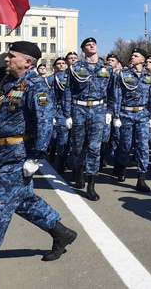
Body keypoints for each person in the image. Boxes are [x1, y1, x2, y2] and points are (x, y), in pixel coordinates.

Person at [0, 41, 77, 276]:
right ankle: (62, 233)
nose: (7, 59)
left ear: (28, 62)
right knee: (22, 200)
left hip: (18, 155)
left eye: (11, 56)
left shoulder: (35, 85)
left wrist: (36, 157)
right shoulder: (10, 81)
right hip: (2, 152)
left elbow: (45, 123)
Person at [64, 38, 115, 201]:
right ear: (83, 50)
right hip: (79, 109)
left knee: (94, 147)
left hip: (99, 109)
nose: (92, 46)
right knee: (78, 146)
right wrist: (67, 114)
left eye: (94, 44)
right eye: (88, 45)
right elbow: (68, 91)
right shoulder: (75, 68)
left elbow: (113, 92)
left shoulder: (107, 68)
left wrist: (110, 111)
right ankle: (78, 172)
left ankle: (91, 185)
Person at [112, 48, 151, 192]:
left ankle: (141, 179)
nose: (132, 57)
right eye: (132, 55)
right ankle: (121, 166)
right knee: (125, 145)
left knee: (143, 146)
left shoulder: (150, 76)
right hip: (126, 114)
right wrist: (116, 115)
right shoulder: (123, 74)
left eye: (136, 55)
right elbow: (117, 95)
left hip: (143, 115)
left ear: (143, 60)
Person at [47, 57, 69, 173]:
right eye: (58, 63)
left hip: (75, 111)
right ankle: (61, 158)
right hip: (60, 111)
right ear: (54, 66)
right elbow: (51, 97)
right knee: (61, 137)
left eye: (63, 63)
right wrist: (51, 113)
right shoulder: (51, 79)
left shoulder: (73, 77)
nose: (61, 65)